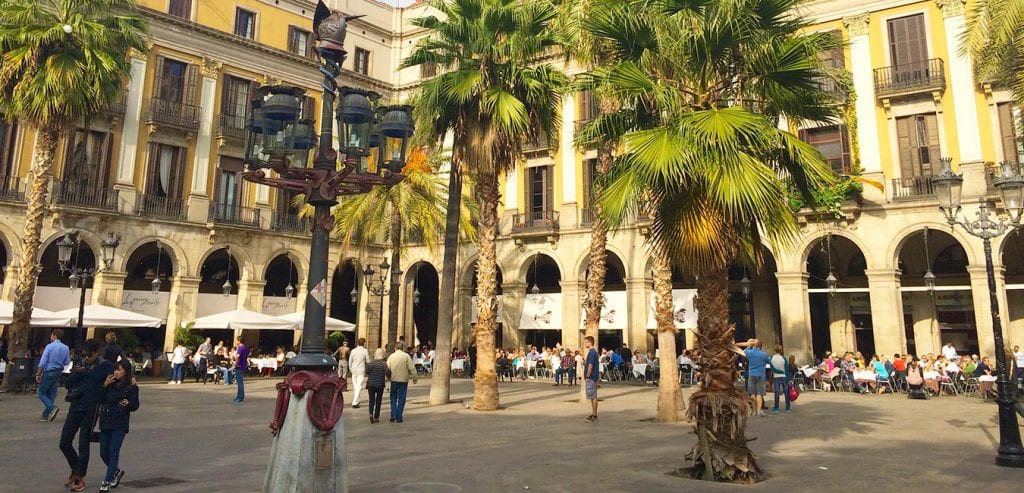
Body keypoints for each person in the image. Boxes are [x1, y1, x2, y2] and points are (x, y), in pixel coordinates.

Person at [60, 339, 114, 492]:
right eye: (84, 354)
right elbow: (67, 384)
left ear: (97, 352)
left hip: (91, 408)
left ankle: (80, 477)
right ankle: (76, 469)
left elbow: (111, 387)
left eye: (89, 355)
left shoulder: (105, 367)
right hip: (75, 405)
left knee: (83, 442)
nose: (86, 358)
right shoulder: (80, 364)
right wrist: (77, 372)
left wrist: (104, 386)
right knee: (64, 442)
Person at [97, 360, 140, 492]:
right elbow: (100, 399)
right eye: (115, 369)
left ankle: (107, 480)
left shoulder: (131, 386)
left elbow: (135, 405)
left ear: (126, 371)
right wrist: (104, 385)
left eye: (119, 370)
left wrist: (128, 403)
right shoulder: (110, 383)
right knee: (104, 452)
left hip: (120, 422)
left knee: (113, 451)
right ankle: (115, 471)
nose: (116, 372)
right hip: (106, 420)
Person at [36, 329, 70, 422]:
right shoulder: (65, 348)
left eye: (51, 335)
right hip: (58, 371)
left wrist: (38, 372)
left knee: (41, 392)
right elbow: (67, 361)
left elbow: (43, 360)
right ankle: (46, 414)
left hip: (49, 370)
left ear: (55, 336)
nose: (50, 337)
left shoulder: (49, 347)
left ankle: (51, 407)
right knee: (52, 392)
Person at [386, 342, 417, 423]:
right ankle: (399, 417)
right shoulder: (406, 356)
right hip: (403, 380)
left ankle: (393, 415)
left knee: (393, 398)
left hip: (394, 380)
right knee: (401, 398)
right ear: (402, 348)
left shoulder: (391, 356)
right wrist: (414, 377)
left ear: (395, 348)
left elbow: (387, 368)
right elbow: (412, 368)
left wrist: (387, 378)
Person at [742, 339, 770, 416]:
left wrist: (749, 345)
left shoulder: (749, 353)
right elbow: (768, 362)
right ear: (760, 345)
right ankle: (759, 411)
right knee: (759, 394)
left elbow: (743, 352)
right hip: (761, 375)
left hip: (751, 374)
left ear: (753, 345)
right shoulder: (764, 354)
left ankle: (754, 410)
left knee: (752, 394)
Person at [364, 348, 388, 423]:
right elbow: (387, 372)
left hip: (371, 383)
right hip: (380, 384)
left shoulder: (371, 363)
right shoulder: (383, 363)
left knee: (371, 400)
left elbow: (367, 371)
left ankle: (370, 414)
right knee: (378, 400)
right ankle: (376, 416)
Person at [769, 345, 791, 414]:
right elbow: (786, 369)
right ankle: (788, 408)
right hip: (784, 376)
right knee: (786, 393)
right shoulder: (783, 358)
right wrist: (789, 378)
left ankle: (776, 408)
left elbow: (771, 369)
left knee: (777, 393)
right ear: (781, 350)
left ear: (774, 350)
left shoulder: (771, 358)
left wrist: (777, 372)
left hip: (776, 377)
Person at [349, 338, 370, 409]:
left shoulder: (353, 350)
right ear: (364, 343)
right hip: (361, 370)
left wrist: (350, 368)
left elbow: (350, 360)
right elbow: (368, 361)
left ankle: (356, 401)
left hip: (353, 370)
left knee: (355, 386)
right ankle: (355, 402)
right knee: (359, 386)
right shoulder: (365, 351)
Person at [584, 336, 600, 423]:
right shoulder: (593, 353)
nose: (585, 344)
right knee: (592, 396)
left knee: (593, 396)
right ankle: (594, 413)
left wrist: (587, 376)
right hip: (593, 377)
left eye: (586, 342)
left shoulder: (592, 353)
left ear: (590, 342)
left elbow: (590, 365)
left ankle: (594, 415)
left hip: (591, 377)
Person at [233, 337, 249, 403]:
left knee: (239, 383)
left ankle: (240, 397)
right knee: (240, 382)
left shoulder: (240, 348)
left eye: (237, 340)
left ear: (239, 341)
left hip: (239, 366)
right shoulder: (246, 347)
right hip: (244, 365)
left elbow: (237, 357)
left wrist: (235, 364)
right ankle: (239, 397)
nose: (236, 342)